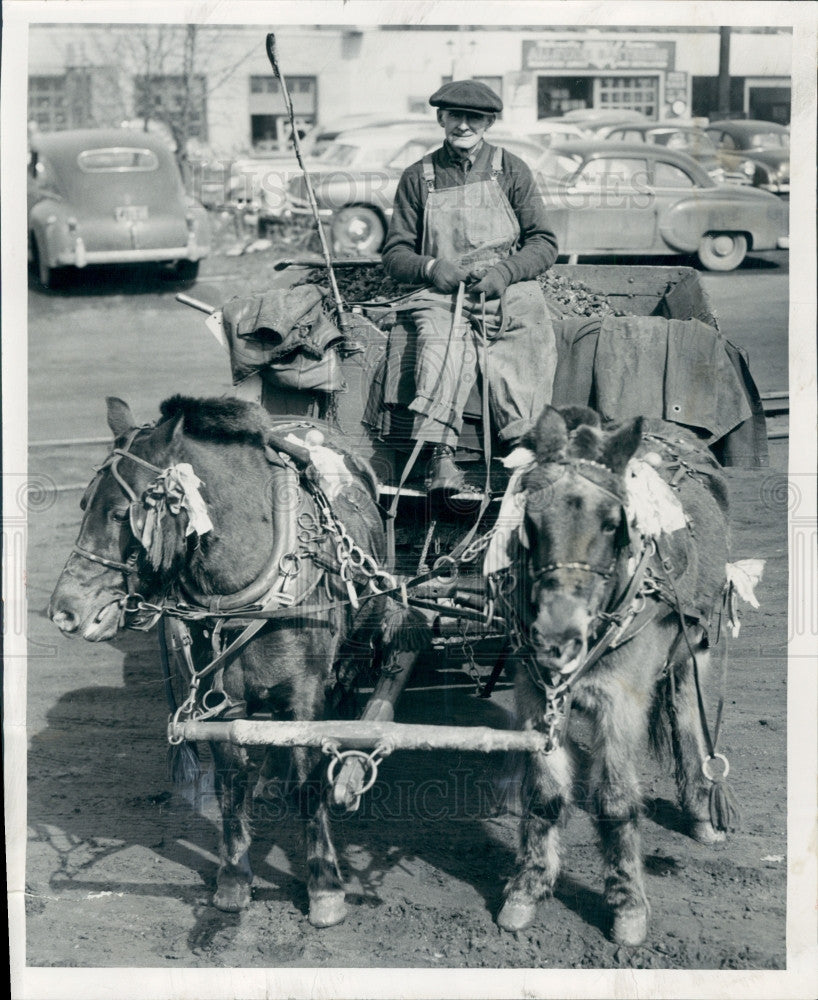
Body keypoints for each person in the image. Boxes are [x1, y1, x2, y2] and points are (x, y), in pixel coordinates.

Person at [381, 79, 559, 492]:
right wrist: (429, 267)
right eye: (455, 116)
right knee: (439, 343)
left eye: (473, 118)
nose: (463, 125)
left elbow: (543, 242)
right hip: (443, 293)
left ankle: (524, 446)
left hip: (504, 287)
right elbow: (394, 254)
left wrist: (504, 274)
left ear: (488, 122)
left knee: (527, 330)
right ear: (440, 118)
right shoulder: (418, 176)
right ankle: (440, 456)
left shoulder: (510, 169)